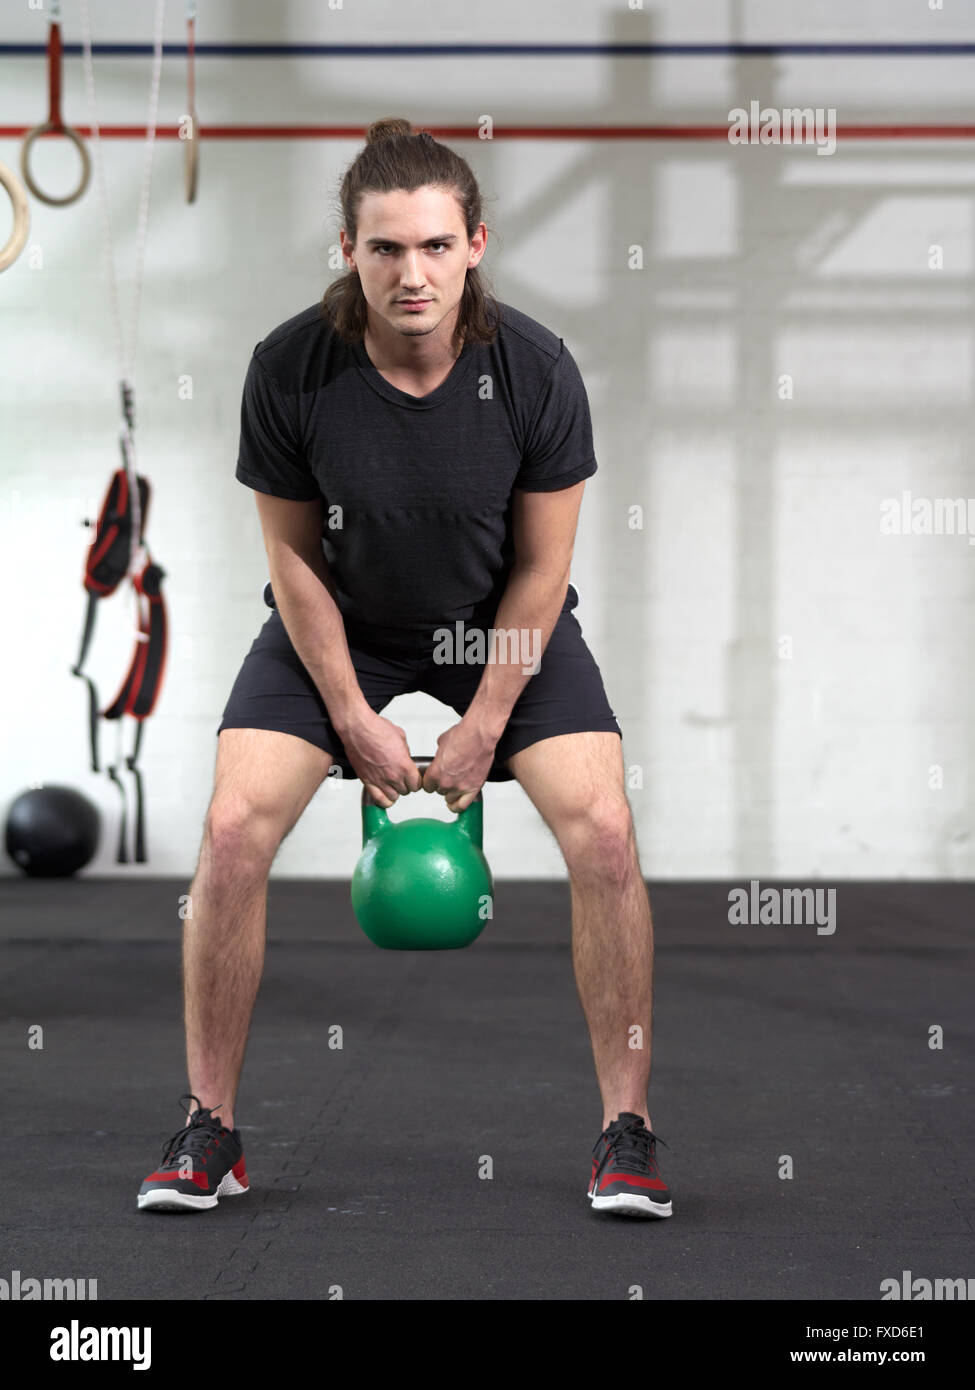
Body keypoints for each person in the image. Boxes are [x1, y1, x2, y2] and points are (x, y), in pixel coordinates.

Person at [137, 118, 671, 1220]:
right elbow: (290, 555)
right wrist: (346, 708)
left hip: (501, 625)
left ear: (477, 242)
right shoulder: (290, 367)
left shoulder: (535, 368)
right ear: (348, 250)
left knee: (608, 831)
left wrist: (482, 721)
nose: (411, 272)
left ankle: (628, 1129)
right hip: (339, 623)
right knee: (233, 830)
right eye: (385, 249)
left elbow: (542, 570)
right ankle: (208, 1127)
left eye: (434, 245)